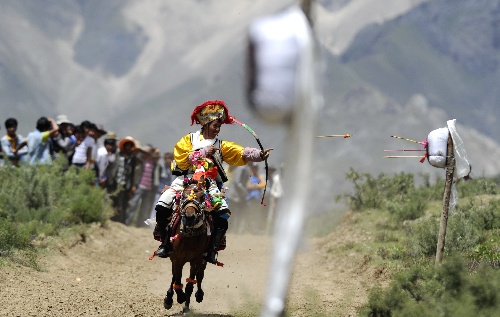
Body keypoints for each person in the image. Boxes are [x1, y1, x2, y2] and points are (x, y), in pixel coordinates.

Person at [154, 99, 272, 263]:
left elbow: (240, 152)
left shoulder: (221, 145)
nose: (217, 129)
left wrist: (259, 154)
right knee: (162, 205)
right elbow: (180, 159)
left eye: (219, 126)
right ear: (206, 124)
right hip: (185, 180)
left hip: (209, 184)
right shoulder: (188, 140)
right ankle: (165, 245)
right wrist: (203, 152)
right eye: (215, 126)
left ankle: (212, 250)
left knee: (223, 213)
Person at [125, 144, 159, 227]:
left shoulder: (154, 163)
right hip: (140, 186)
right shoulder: (140, 161)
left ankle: (140, 225)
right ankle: (128, 222)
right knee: (133, 204)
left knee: (144, 207)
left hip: (148, 187)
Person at [112, 136, 139, 224]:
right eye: (127, 145)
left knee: (124, 202)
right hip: (116, 181)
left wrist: (132, 186)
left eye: (130, 146)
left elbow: (132, 173)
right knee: (115, 200)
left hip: (126, 183)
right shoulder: (118, 155)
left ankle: (122, 220)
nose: (128, 147)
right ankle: (114, 219)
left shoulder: (132, 158)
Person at [224, 163, 250, 233]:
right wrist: (245, 192)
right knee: (233, 213)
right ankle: (231, 229)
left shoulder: (244, 167)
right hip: (234, 195)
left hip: (238, 196)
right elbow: (237, 182)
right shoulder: (242, 168)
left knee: (236, 213)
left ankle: (234, 229)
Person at [149, 151, 174, 220]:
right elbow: (156, 179)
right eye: (165, 158)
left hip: (170, 193)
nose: (167, 160)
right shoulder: (161, 167)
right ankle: (152, 222)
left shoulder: (174, 169)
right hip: (160, 191)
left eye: (169, 158)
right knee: (156, 206)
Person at [244, 162, 267, 234]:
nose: (255, 169)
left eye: (256, 168)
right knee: (249, 214)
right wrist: (257, 185)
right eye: (253, 168)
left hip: (257, 198)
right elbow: (248, 186)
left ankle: (254, 230)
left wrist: (255, 186)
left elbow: (263, 184)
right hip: (250, 198)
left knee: (256, 214)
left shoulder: (259, 177)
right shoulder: (249, 176)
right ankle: (247, 229)